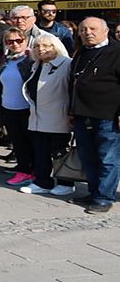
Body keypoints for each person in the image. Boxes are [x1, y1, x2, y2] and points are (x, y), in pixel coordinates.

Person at [69, 17, 120, 213]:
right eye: (83, 29)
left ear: (106, 31)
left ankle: (104, 197)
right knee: (87, 157)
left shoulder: (116, 51)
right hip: (82, 114)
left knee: (108, 158)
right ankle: (93, 191)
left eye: (92, 29)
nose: (88, 32)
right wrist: (70, 110)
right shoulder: (81, 52)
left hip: (108, 115)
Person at [19, 33, 75, 196]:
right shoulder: (37, 65)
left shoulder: (66, 64)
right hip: (38, 116)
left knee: (59, 152)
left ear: (55, 46)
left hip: (59, 116)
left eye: (46, 46)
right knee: (40, 150)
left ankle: (66, 182)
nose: (41, 49)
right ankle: (42, 181)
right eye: (37, 46)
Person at [0, 28, 35, 187]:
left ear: (25, 40)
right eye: (10, 41)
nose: (14, 44)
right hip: (8, 108)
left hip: (26, 108)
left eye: (18, 40)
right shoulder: (6, 60)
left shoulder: (31, 59)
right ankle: (23, 169)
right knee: (18, 142)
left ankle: (31, 172)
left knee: (30, 142)